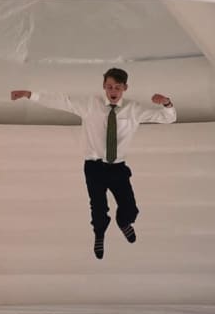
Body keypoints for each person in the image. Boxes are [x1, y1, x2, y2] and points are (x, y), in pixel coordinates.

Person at [11, 68, 176, 259]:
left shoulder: (134, 109)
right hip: (94, 167)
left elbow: (169, 118)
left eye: (117, 87)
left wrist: (167, 103)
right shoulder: (90, 105)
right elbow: (62, 101)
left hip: (118, 167)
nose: (113, 91)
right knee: (98, 209)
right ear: (104, 86)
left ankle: (124, 223)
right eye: (109, 87)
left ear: (125, 88)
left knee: (130, 208)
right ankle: (99, 234)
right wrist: (29, 94)